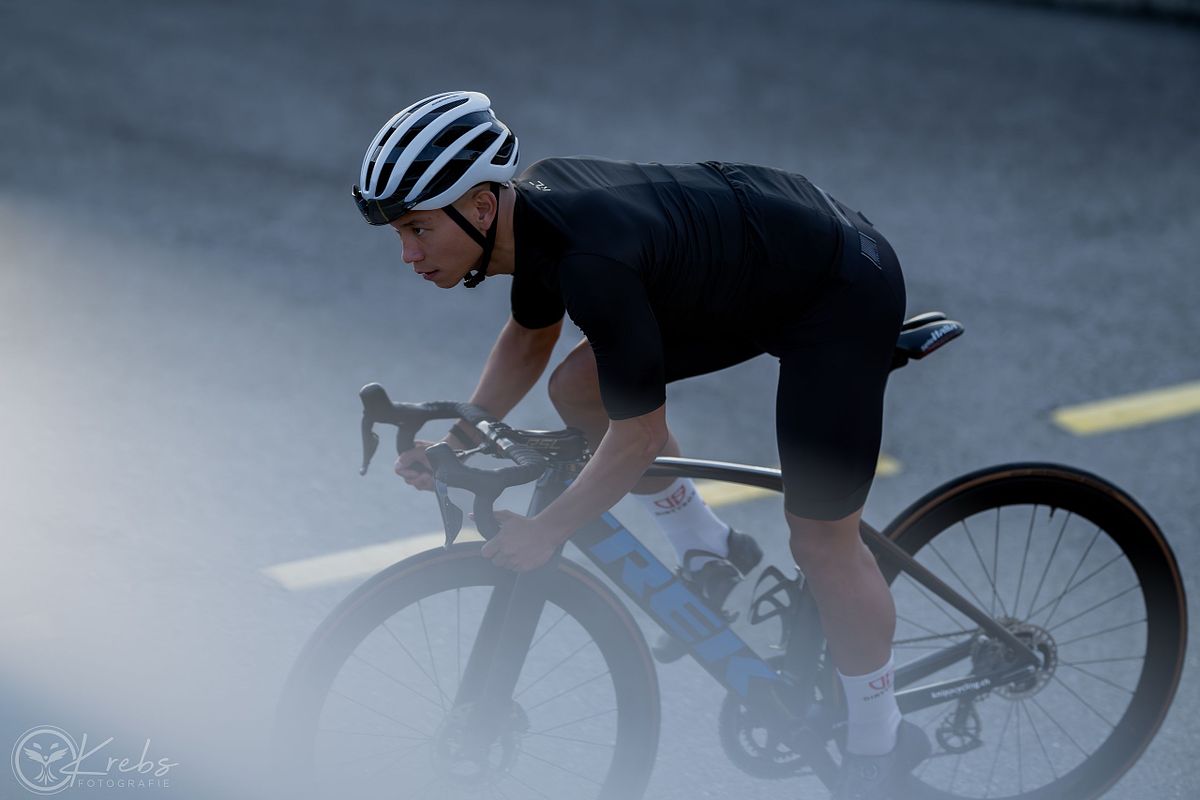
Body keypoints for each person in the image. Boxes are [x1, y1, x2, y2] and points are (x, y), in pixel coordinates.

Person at [353, 90, 929, 799]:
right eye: (398, 234)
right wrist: (455, 444)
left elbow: (640, 437)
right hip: (755, 265)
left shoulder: (587, 257)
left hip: (838, 289)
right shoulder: (524, 223)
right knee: (579, 388)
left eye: (417, 228)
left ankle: (879, 744)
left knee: (822, 543)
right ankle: (712, 552)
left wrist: (547, 530)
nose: (408, 254)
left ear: (478, 206)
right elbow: (530, 338)